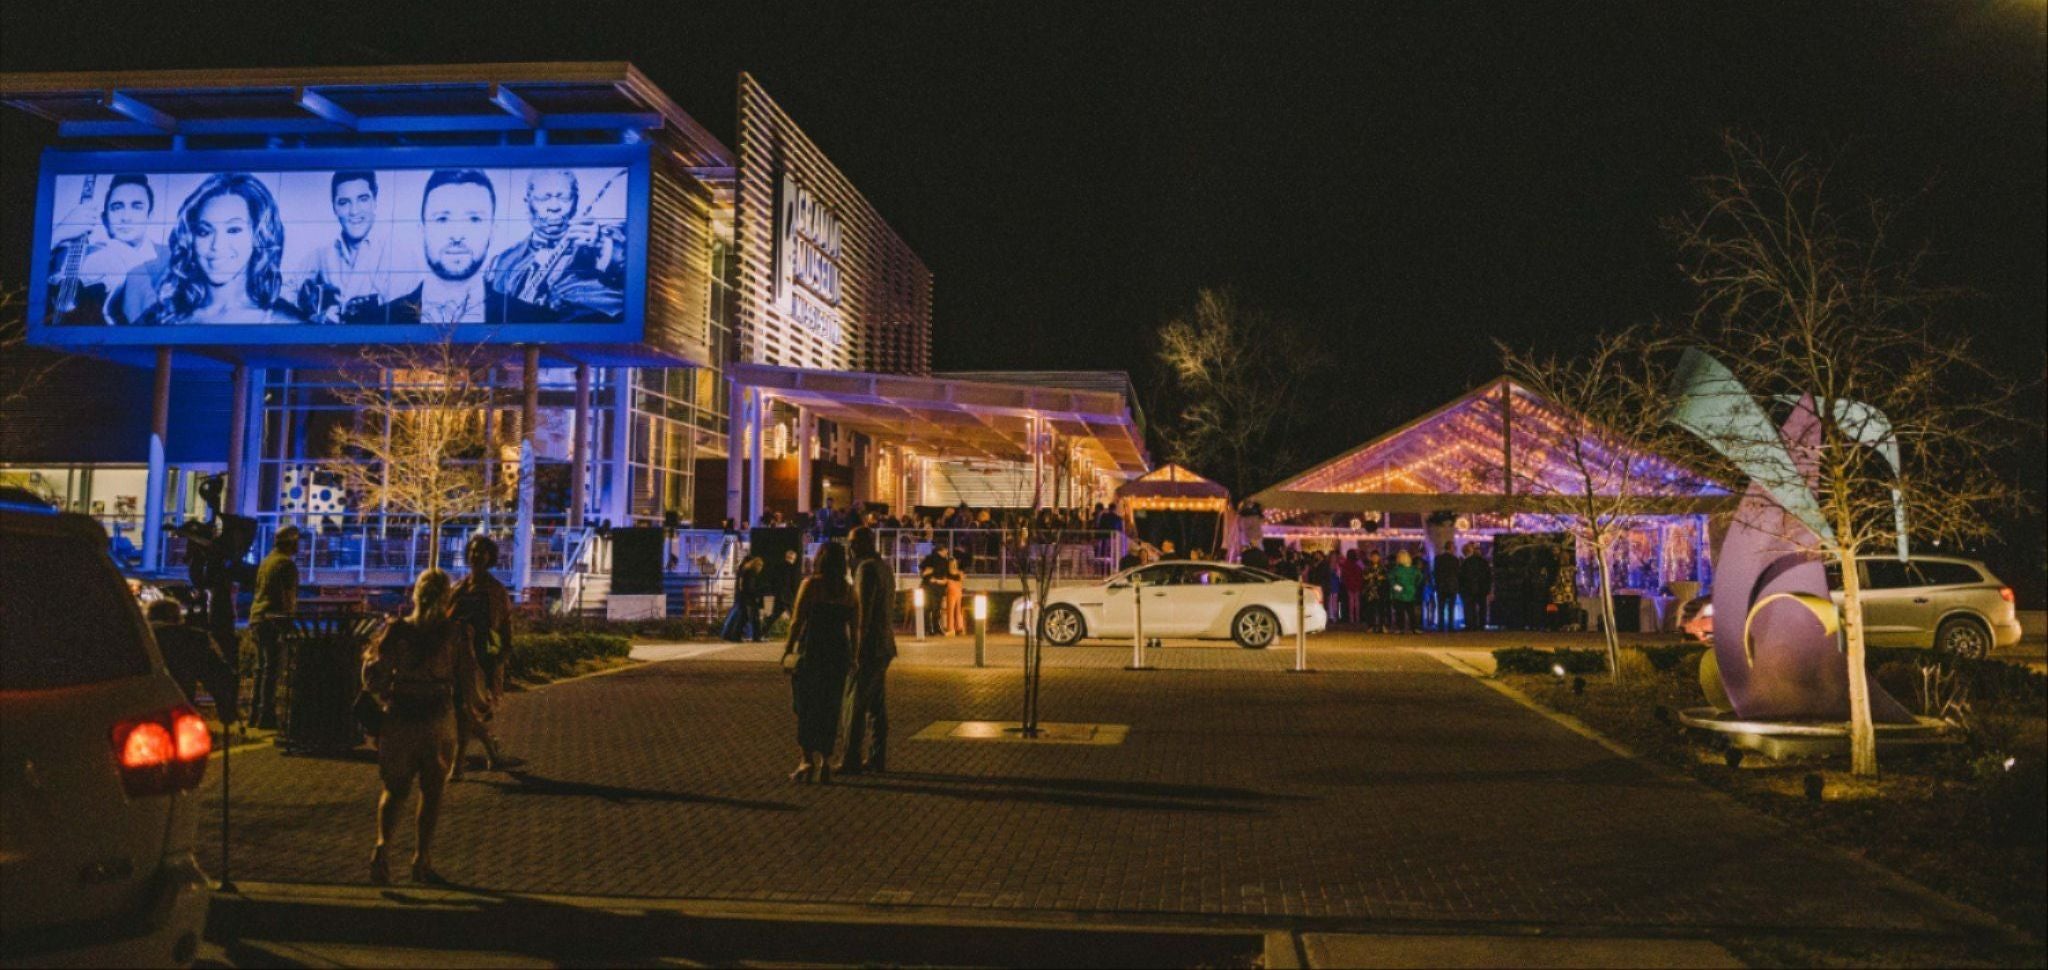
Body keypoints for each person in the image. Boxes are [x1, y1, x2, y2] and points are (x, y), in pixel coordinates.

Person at [361, 568, 482, 885]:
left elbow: (374, 677)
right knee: (432, 792)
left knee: (395, 790)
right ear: (446, 598)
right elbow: (468, 681)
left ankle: (382, 848)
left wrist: (387, 689)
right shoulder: (455, 633)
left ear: (415, 594)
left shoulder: (397, 631)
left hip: (400, 715)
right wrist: (473, 707)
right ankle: (421, 858)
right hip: (437, 717)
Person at [135, 173, 306, 326]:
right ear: (190, 239)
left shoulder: (286, 323)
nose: (216, 245)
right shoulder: (160, 318)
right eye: (204, 232)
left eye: (233, 230)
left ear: (259, 236)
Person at [387, 170, 551, 324]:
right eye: (442, 219)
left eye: (474, 219)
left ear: (492, 231)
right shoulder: (383, 317)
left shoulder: (530, 318)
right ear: (421, 231)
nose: (457, 236)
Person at [485, 169, 627, 321]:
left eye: (564, 197)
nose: (554, 206)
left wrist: (602, 246)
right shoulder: (501, 262)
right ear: (527, 204)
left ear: (576, 201)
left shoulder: (611, 240)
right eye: (543, 198)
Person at [780, 540, 858, 784]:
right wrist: (854, 656)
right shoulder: (848, 590)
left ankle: (806, 760)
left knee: (805, 706)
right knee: (830, 707)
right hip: (838, 654)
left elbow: (796, 621)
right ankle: (825, 761)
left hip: (812, 652)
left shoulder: (811, 585)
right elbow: (855, 628)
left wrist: (787, 649)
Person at [45, 173, 166, 325]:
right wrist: (60, 232)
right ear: (104, 219)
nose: (126, 217)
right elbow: (26, 284)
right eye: (117, 207)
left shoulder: (173, 258)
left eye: (137, 207)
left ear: (150, 216)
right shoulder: (73, 257)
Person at [291, 170, 401, 323]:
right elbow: (283, 292)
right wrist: (313, 317)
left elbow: (402, 317)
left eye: (362, 199)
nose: (354, 211)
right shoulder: (321, 254)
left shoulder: (398, 252)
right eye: (344, 202)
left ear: (374, 201)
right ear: (334, 208)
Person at [449, 535, 511, 777]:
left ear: (490, 557)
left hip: (482, 656)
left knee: (467, 709)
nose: (476, 556)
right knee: (461, 709)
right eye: (473, 551)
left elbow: (505, 626)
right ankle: (489, 750)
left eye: (482, 552)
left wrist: (502, 656)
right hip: (457, 654)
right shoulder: (459, 588)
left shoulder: (496, 591)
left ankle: (459, 763)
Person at [839, 526, 896, 775]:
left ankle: (851, 759)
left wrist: (856, 651)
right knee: (877, 705)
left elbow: (863, 613)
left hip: (870, 646)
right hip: (885, 644)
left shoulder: (866, 570)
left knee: (856, 705)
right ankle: (876, 756)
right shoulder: (884, 567)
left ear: (861, 544)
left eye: (852, 542)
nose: (849, 548)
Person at [145, 599, 240, 723]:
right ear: (173, 616)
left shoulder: (137, 638)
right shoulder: (190, 636)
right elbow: (217, 672)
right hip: (180, 695)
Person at [248, 525, 301, 728]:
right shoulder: (286, 565)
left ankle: (255, 714)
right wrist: (290, 622)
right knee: (272, 668)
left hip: (257, 617)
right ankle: (267, 716)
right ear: (291, 543)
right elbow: (288, 598)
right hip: (273, 619)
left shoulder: (267, 561)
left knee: (261, 668)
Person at [724, 555, 767, 642]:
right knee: (748, 618)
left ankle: (739, 636)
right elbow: (749, 587)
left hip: (745, 598)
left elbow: (745, 586)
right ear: (757, 565)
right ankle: (745, 636)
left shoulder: (746, 571)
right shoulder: (751, 573)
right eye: (760, 566)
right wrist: (758, 592)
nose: (761, 568)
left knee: (748, 618)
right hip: (749, 599)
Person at [763, 549, 802, 629]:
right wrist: (796, 595)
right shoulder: (792, 569)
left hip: (779, 594)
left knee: (775, 615)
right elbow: (793, 584)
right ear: (793, 558)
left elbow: (772, 580)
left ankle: (762, 631)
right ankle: (799, 635)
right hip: (788, 596)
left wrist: (774, 591)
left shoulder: (778, 566)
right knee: (794, 616)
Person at [1459, 542, 1493, 633]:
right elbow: (1488, 576)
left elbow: (1462, 576)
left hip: (1469, 588)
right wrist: (1488, 589)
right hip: (1481, 589)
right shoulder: (1484, 563)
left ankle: (1470, 624)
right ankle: (1481, 625)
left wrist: (1462, 588)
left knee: (1470, 607)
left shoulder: (1467, 562)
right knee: (1482, 608)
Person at [1388, 549, 1423, 635]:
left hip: (1399, 594)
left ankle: (1400, 628)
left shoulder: (1396, 569)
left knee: (1400, 612)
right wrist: (1414, 586)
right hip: (1411, 593)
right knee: (1411, 612)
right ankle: (1414, 628)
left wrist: (1397, 588)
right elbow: (1420, 577)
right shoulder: (1413, 569)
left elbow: (1391, 580)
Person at [917, 544, 949, 633]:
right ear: (942, 550)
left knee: (928, 608)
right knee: (935, 609)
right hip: (935, 588)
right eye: (946, 550)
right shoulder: (943, 561)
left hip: (929, 586)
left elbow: (922, 569)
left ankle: (928, 629)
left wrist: (927, 573)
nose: (947, 552)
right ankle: (935, 628)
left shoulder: (931, 558)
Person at [1432, 542, 1462, 632]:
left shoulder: (1438, 559)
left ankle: (1440, 626)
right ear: (1451, 548)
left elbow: (1435, 572)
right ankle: (1450, 626)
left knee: (1441, 607)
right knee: (1451, 608)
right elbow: (1457, 573)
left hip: (1441, 586)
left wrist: (1436, 584)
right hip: (1452, 586)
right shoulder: (1455, 560)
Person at [1361, 551, 1390, 633]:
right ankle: (1371, 626)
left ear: (1379, 557)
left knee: (1381, 609)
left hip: (1380, 591)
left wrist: (1382, 578)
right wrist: (1368, 577)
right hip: (1370, 592)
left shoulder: (1383, 568)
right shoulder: (1367, 568)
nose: (1375, 558)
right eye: (1373, 557)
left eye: (1376, 556)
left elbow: (1386, 578)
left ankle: (1382, 625)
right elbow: (1364, 577)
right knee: (1370, 609)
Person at [943, 549, 967, 636]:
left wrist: (950, 582)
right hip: (953, 591)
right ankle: (954, 628)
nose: (952, 564)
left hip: (955, 592)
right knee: (953, 610)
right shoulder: (949, 572)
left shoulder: (957, 573)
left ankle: (956, 628)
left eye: (953, 563)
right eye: (951, 563)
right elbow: (945, 581)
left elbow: (960, 583)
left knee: (955, 610)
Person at [1339, 549, 1365, 626]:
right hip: (1357, 584)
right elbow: (1363, 571)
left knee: (1351, 602)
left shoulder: (1346, 563)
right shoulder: (1358, 563)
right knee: (1357, 602)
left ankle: (1351, 618)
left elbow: (1344, 575)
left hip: (1349, 585)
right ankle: (1357, 618)